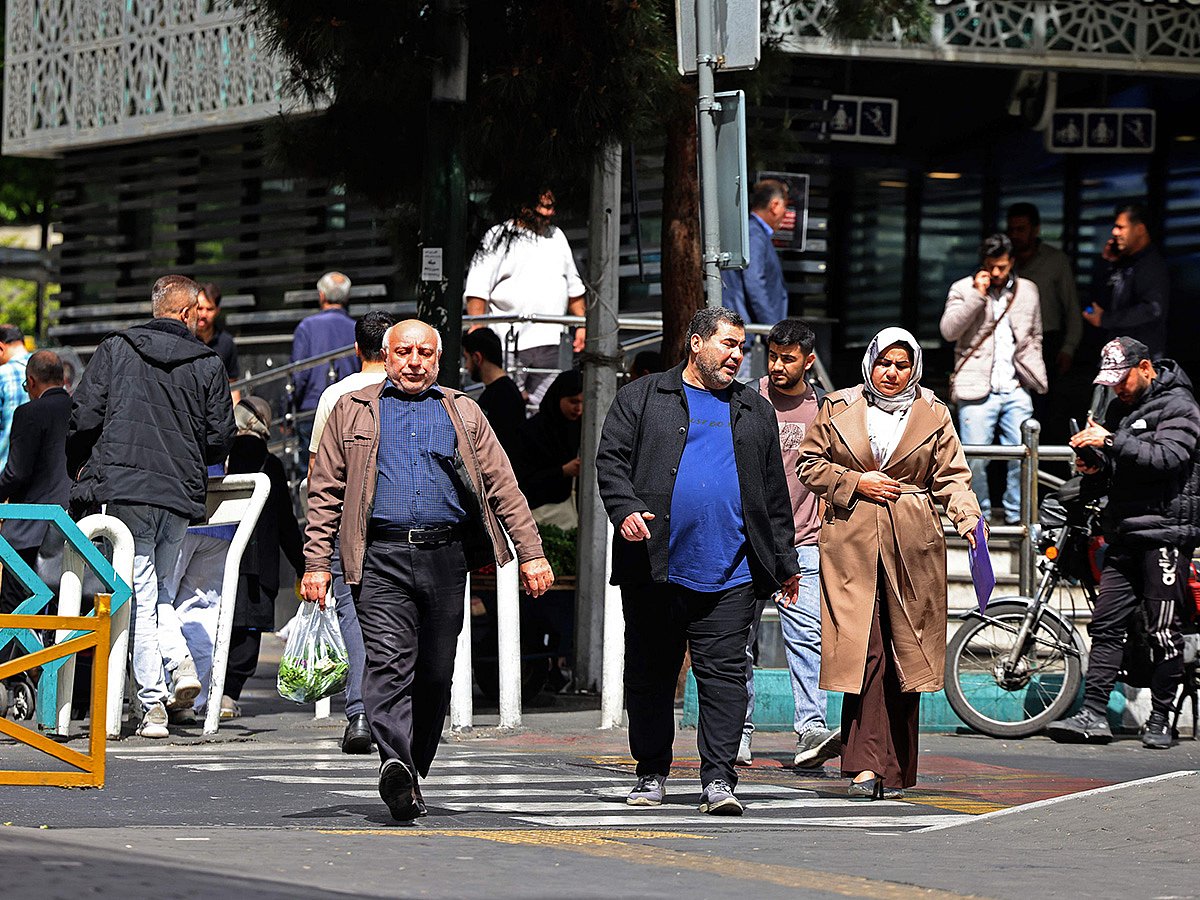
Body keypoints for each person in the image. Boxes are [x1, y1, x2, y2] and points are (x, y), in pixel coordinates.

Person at [303, 319, 553, 822]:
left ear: (438, 360)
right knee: (389, 662)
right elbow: (325, 491)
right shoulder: (352, 411)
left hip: (445, 557)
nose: (413, 361)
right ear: (386, 357)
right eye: (403, 352)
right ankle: (394, 759)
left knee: (436, 672)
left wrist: (532, 553)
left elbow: (503, 485)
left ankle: (410, 770)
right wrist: (316, 563)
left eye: (424, 352)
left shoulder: (463, 412)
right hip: (379, 557)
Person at [596, 307, 801, 817]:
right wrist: (624, 511)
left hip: (732, 571)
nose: (737, 355)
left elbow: (774, 493)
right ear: (695, 343)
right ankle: (650, 771)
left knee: (725, 678)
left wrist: (785, 561)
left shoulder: (754, 411)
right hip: (656, 566)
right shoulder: (642, 397)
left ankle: (719, 779)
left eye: (740, 347)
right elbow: (611, 461)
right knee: (650, 674)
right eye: (727, 345)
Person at [796, 327, 981, 799]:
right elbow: (808, 464)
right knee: (867, 650)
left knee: (906, 653)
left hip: (913, 544)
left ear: (914, 367)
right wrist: (858, 483)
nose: (892, 373)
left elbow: (952, 479)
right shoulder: (838, 407)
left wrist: (966, 517)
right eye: (885, 363)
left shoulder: (934, 414)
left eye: (902, 365)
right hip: (852, 545)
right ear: (870, 362)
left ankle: (894, 770)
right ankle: (864, 766)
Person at [66, 274, 236, 738]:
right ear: (186, 313)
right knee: (157, 588)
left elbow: (83, 414)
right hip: (179, 493)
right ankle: (180, 664)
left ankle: (153, 705)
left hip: (125, 488)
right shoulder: (208, 362)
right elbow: (221, 436)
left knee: (141, 594)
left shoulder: (116, 348)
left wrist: (84, 465)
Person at [1047, 337, 1200, 749]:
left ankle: (1162, 719)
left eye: (1122, 379)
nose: (1117, 389)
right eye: (1111, 382)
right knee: (1106, 625)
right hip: (1123, 532)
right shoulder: (1119, 408)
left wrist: (1111, 442)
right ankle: (1094, 714)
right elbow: (1116, 469)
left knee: (1163, 630)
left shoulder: (1181, 406)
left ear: (1146, 367)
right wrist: (1093, 465)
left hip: (1166, 535)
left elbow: (1169, 457)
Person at [736, 319, 841, 771]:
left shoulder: (824, 409)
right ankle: (736, 732)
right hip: (746, 543)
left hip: (804, 543)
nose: (777, 366)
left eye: (788, 358)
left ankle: (811, 730)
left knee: (808, 639)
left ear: (808, 360)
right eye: (773, 356)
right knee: (738, 642)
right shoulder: (746, 398)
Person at [306, 309, 396, 753]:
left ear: (356, 349)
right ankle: (394, 712)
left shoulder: (335, 396)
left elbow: (318, 474)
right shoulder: (408, 392)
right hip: (400, 523)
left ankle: (360, 712)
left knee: (354, 618)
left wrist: (317, 551)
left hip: (347, 529)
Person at [941, 233, 1047, 525]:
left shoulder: (1028, 291)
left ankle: (1016, 516)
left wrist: (1033, 364)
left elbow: (1035, 333)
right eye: (992, 266)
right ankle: (980, 516)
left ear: (1012, 262)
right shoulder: (963, 288)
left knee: (1022, 456)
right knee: (975, 459)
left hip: (1015, 384)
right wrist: (977, 295)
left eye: (1002, 266)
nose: (997, 273)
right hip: (975, 384)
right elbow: (948, 331)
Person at [464, 189, 585, 406]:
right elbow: (477, 289)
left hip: (553, 341)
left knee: (549, 407)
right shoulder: (498, 235)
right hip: (509, 341)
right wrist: (478, 328)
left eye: (552, 206)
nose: (551, 213)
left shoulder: (557, 236)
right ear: (525, 207)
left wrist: (582, 325)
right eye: (545, 207)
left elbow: (574, 287)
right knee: (509, 405)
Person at [0, 351, 70, 619]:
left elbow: (16, 473)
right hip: (72, 531)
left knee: (15, 612)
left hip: (29, 532)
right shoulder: (80, 410)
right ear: (62, 378)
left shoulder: (30, 413)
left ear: (31, 380)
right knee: (62, 613)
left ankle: (17, 662)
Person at [1084, 203, 1170, 359]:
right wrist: (1109, 263)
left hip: (1139, 360)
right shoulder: (1123, 262)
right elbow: (1101, 298)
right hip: (1116, 356)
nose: (1114, 232)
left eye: (1121, 227)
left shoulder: (1150, 265)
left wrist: (1106, 319)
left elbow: (1152, 309)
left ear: (1140, 229)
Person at [721, 179, 789, 372]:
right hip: (747, 334)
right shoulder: (754, 234)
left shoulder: (753, 233)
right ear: (775, 205)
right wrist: (776, 332)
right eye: (785, 207)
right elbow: (755, 284)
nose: (786, 214)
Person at [291, 271, 360, 453]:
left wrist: (288, 409)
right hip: (351, 410)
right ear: (347, 297)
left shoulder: (306, 326)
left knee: (309, 473)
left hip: (311, 410)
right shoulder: (357, 328)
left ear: (321, 295)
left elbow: (298, 374)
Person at [514, 369, 583, 518]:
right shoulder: (532, 431)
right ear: (558, 397)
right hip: (536, 511)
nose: (579, 409)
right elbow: (523, 479)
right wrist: (563, 471)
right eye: (573, 401)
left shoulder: (584, 430)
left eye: (583, 402)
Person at [461, 326, 526, 454]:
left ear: (477, 358)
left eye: (467, 358)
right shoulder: (502, 391)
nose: (467, 366)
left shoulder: (503, 395)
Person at [196, 282, 241, 403]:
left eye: (209, 309)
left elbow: (233, 385)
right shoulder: (183, 340)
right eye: (199, 308)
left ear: (217, 310)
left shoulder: (226, 342)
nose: (203, 314)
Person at [0, 325, 30, 469]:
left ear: (1, 348)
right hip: (39, 476)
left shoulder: (2, 375)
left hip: (4, 470)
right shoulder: (47, 369)